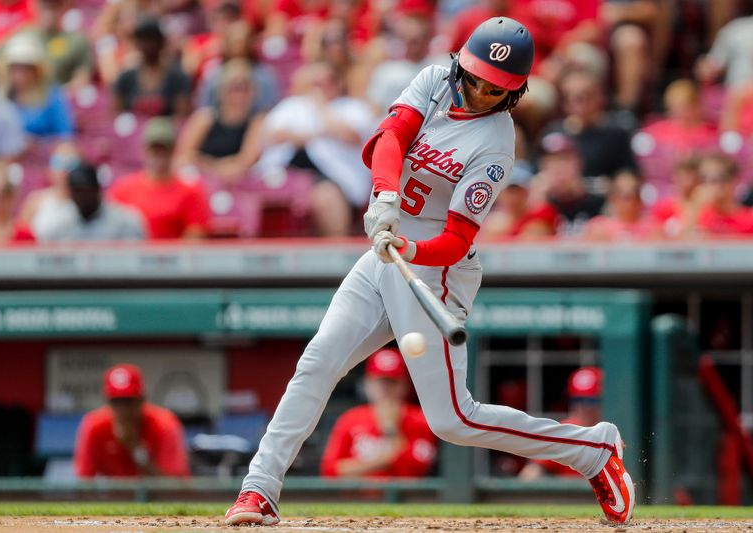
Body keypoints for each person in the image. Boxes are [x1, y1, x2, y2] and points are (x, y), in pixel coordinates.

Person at [224, 18, 634, 527]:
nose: (483, 93)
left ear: (515, 91)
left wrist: (408, 242)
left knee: (452, 420)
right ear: (462, 63)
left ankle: (593, 449)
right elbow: (389, 138)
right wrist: (387, 197)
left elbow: (458, 238)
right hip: (385, 246)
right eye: (478, 78)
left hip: (435, 269)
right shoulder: (434, 80)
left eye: (496, 88)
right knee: (317, 363)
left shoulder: (497, 144)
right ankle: (259, 489)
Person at [256, 61, 377, 236]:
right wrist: (312, 134)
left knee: (325, 198)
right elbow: (270, 135)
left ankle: (337, 254)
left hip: (333, 179)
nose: (321, 88)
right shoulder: (293, 105)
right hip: (285, 174)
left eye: (327, 81)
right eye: (316, 83)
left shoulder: (353, 108)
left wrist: (321, 107)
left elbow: (349, 135)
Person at [320, 348, 436, 478]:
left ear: (404, 385)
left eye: (392, 381)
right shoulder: (350, 419)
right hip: (356, 496)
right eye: (379, 381)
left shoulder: (420, 420)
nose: (385, 388)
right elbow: (330, 471)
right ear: (367, 384)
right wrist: (384, 460)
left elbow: (417, 470)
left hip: (401, 498)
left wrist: (391, 430)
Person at [74, 363, 190, 478]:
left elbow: (174, 488)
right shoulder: (94, 426)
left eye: (129, 401)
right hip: (113, 496)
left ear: (142, 399)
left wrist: (135, 448)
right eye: (116, 401)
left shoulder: (164, 424)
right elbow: (84, 483)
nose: (123, 409)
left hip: (154, 497)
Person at [109, 117, 212, 239]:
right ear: (145, 149)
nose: (158, 154)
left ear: (173, 150)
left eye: (164, 148)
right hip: (132, 255)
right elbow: (110, 230)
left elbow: (195, 238)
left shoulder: (190, 191)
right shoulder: (123, 189)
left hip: (174, 256)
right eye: (154, 148)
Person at [174, 59, 264, 186]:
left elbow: (245, 162)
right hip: (200, 183)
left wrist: (204, 163)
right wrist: (218, 168)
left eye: (246, 88)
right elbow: (184, 158)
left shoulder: (256, 122)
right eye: (235, 88)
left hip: (237, 186)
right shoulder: (204, 118)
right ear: (222, 91)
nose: (240, 95)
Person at [542, 68, 637, 183]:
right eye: (571, 97)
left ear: (600, 97)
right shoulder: (553, 133)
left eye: (585, 96)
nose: (579, 104)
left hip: (601, 197)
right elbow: (539, 171)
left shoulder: (615, 134)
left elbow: (627, 174)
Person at [519, 367, 604, 480]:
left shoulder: (621, 427)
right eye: (577, 400)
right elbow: (530, 473)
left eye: (591, 400)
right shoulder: (566, 430)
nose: (584, 407)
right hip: (574, 497)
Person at [39, 163, 147, 242]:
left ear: (97, 189)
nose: (82, 196)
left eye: (86, 190)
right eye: (77, 191)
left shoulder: (125, 220)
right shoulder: (57, 221)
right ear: (70, 193)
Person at [0, 33, 75, 140]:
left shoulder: (51, 95)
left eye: (26, 68)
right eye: (15, 68)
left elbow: (65, 135)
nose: (20, 74)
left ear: (36, 70)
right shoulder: (0, 95)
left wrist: (37, 142)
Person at [113, 17, 191, 119]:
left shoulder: (178, 77)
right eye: (143, 40)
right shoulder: (125, 77)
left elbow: (181, 116)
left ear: (161, 42)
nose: (148, 45)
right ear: (137, 43)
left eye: (152, 39)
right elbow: (115, 114)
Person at [535, 132, 605, 236]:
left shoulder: (598, 203)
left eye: (564, 159)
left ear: (578, 163)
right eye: (551, 161)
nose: (558, 167)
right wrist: (538, 201)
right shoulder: (538, 204)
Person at [19, 0, 92, 89]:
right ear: (35, 7)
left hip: (61, 98)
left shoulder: (76, 41)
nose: (49, 12)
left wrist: (57, 97)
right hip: (26, 96)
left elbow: (82, 78)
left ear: (64, 8)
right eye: (45, 6)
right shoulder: (23, 38)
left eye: (54, 7)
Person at [17, 141, 80, 240]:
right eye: (58, 162)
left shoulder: (89, 204)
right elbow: (20, 238)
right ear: (49, 168)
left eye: (71, 163)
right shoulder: (35, 202)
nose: (65, 170)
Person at [582, 171, 660, 241]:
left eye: (633, 194)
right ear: (612, 198)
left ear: (640, 198)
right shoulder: (598, 227)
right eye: (623, 196)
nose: (629, 202)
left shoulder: (653, 228)